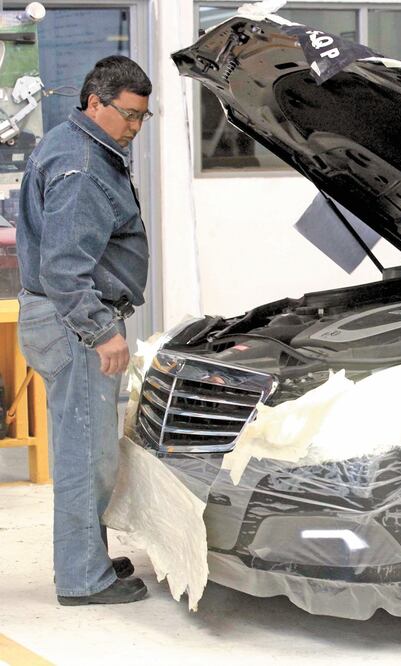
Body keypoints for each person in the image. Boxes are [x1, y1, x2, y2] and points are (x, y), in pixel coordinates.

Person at [16, 56, 151, 605]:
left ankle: (87, 557)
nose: (135, 126)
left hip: (59, 319)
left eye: (142, 117)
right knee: (85, 457)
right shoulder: (84, 166)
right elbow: (64, 268)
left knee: (88, 449)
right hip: (73, 324)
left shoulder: (70, 143)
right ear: (95, 102)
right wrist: (101, 331)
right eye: (128, 114)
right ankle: (82, 579)